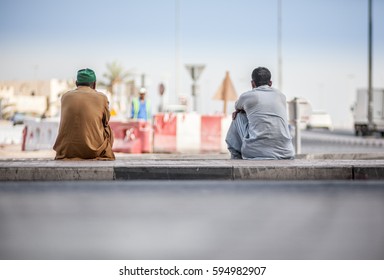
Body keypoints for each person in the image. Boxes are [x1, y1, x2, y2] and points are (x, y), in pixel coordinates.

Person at [225, 67, 294, 160]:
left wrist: (243, 110)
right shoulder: (281, 96)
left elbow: (237, 106)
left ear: (252, 83)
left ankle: (236, 159)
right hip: (286, 152)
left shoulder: (247, 96)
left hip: (255, 153)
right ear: (270, 83)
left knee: (238, 116)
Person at [53, 68, 115, 160]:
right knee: (108, 129)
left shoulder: (65, 97)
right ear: (94, 84)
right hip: (93, 150)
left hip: (66, 151)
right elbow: (106, 121)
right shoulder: (102, 98)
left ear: (76, 83)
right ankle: (100, 151)